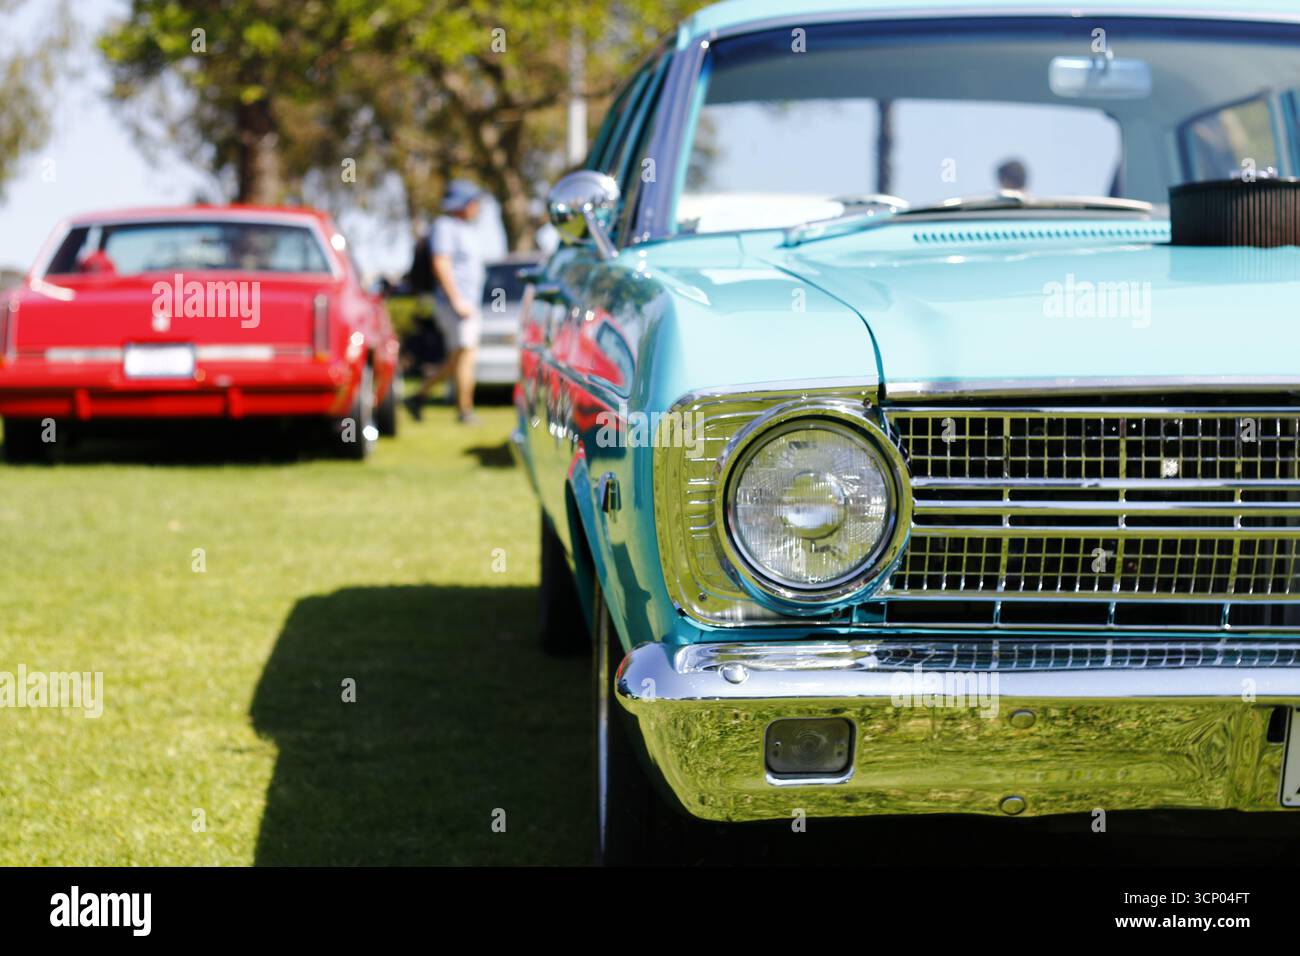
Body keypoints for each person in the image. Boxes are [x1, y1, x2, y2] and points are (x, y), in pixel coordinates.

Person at [404, 180, 487, 425]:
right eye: (473, 202)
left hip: (468, 302)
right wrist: (456, 300)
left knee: (459, 357)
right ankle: (464, 410)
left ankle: (420, 395)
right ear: (463, 204)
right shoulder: (445, 226)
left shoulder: (466, 230)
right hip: (455, 304)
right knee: (465, 354)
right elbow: (441, 263)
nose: (477, 207)